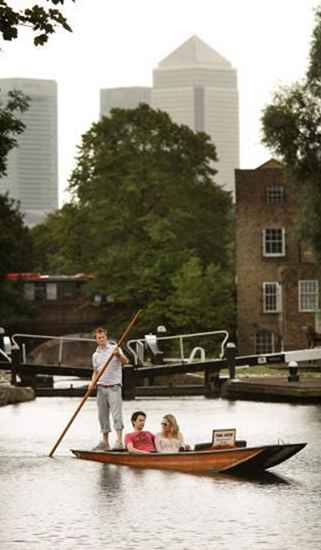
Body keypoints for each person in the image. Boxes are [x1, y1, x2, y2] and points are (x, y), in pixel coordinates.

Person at [89, 326, 129, 451]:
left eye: (103, 337)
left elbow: (125, 361)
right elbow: (96, 371)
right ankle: (105, 442)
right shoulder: (95, 355)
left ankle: (119, 441)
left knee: (116, 415)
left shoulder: (115, 349)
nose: (101, 339)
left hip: (114, 387)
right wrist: (92, 383)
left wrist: (118, 355)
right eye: (99, 338)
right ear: (96, 339)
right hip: (101, 388)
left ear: (106, 337)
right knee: (102, 416)